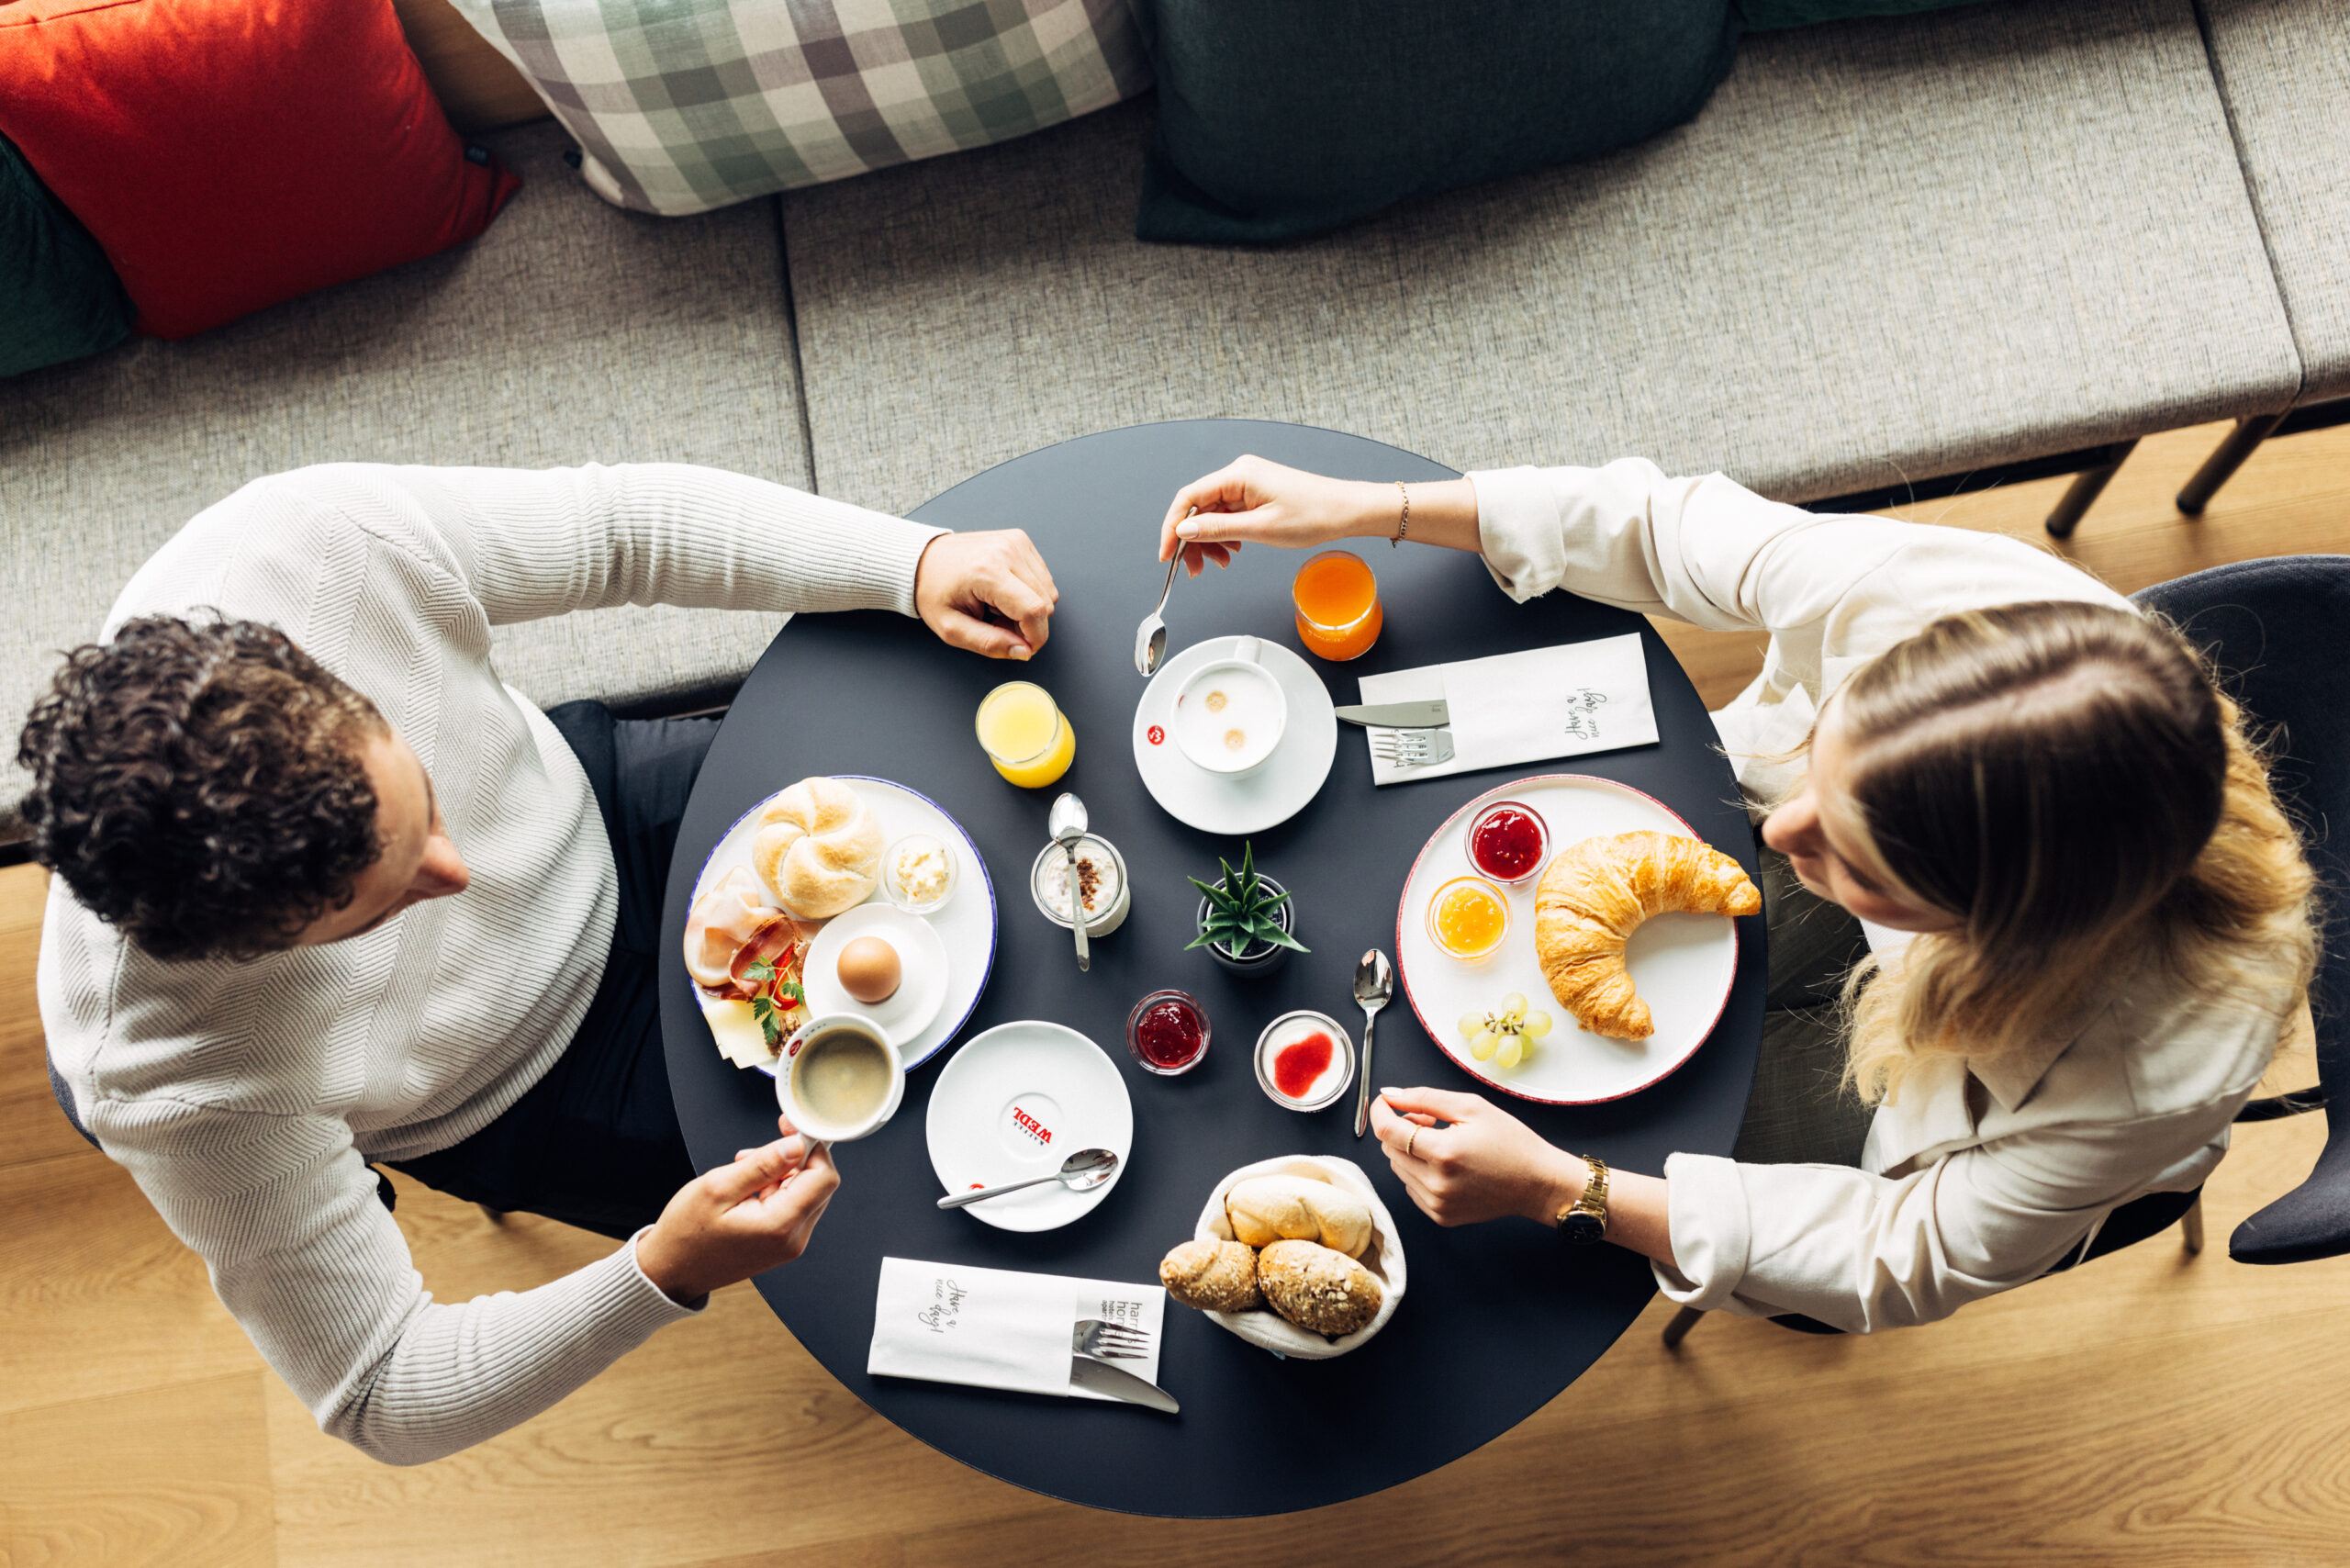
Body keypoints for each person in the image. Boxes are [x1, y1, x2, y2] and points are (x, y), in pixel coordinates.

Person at [24, 462, 1058, 1462]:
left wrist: (908, 561)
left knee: (983, 845)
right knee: (904, 1187)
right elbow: (381, 1389)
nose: (461, 871)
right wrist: (659, 1268)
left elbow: (622, 525)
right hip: (539, 1088)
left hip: (609, 811)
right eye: (383, 909)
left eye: (422, 802)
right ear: (245, 953)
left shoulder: (308, 551)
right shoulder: (167, 1076)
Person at [1157, 455, 2317, 1332]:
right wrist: (1375, 509)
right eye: (1822, 762)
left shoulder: (2147, 1066)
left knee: (1617, 1123)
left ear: (1994, 929)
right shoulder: (1968, 623)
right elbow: (1667, 526)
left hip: (1932, 1109)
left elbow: (1902, 1255)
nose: (1776, 826)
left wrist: (1570, 1189)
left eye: (1853, 857)